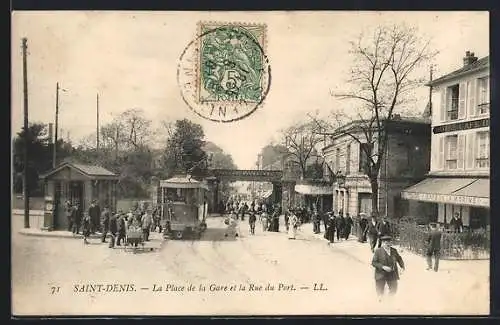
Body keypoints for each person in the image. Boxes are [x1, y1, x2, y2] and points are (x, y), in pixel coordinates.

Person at [371, 235, 405, 299]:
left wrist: (402, 267)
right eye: (385, 243)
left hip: (392, 273)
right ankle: (380, 302)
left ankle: (389, 301)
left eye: (388, 242)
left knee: (394, 289)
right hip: (381, 274)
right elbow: (374, 262)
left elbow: (399, 259)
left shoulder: (394, 251)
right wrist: (383, 267)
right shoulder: (378, 251)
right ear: (382, 243)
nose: (387, 244)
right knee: (380, 292)